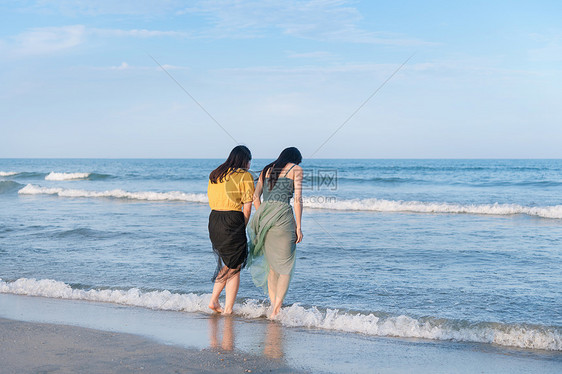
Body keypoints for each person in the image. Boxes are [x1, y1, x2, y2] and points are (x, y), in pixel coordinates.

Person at [248, 147, 303, 319]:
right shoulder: (296, 169)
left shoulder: (266, 169)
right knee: (286, 266)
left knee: (272, 267)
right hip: (284, 219)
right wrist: (299, 227)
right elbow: (298, 200)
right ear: (295, 159)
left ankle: (274, 306)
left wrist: (263, 213)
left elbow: (255, 197)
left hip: (264, 219)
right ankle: (276, 310)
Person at [207, 145, 254, 314]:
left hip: (214, 220)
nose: (250, 164)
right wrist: (243, 226)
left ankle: (215, 301)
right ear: (244, 160)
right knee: (234, 267)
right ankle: (226, 309)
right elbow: (247, 208)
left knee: (229, 264)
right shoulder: (245, 176)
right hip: (232, 220)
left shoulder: (216, 174)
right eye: (249, 160)